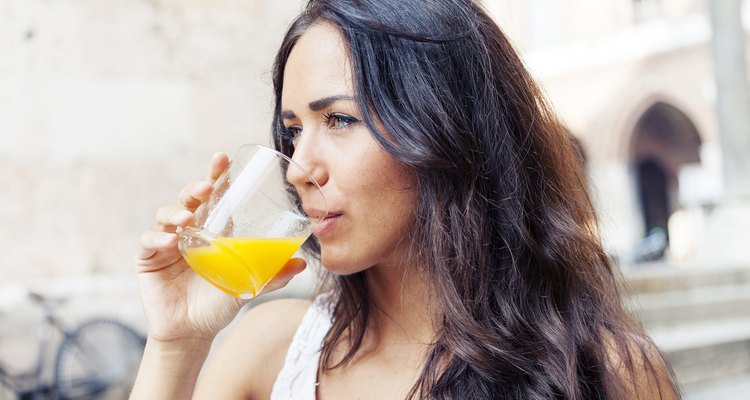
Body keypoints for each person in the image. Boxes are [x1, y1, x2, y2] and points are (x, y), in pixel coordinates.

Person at [131, 0, 680, 399]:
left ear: (447, 128)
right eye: (292, 130)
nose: (298, 168)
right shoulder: (267, 354)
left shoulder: (607, 373)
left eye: (340, 119)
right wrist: (175, 343)